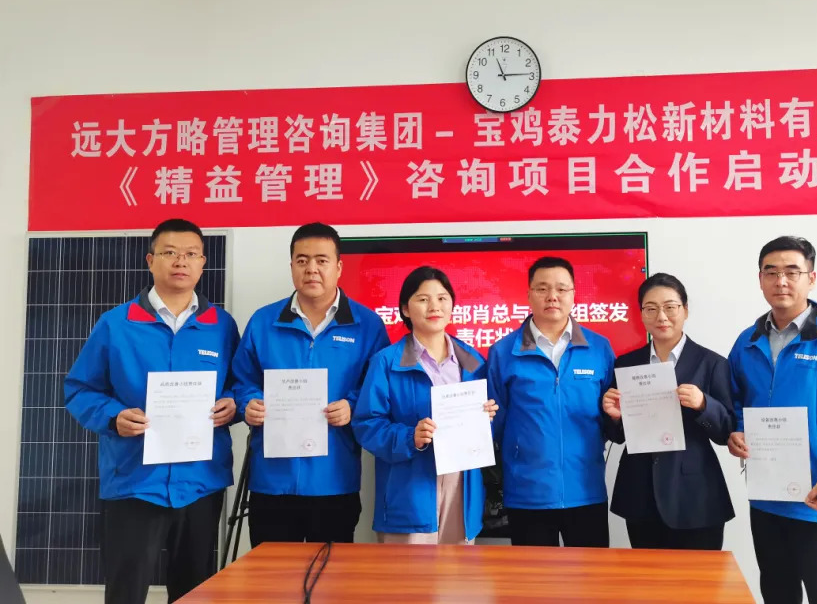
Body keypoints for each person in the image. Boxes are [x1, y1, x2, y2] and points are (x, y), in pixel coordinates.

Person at [65, 219, 239, 604]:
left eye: (191, 254)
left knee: (195, 591)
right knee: (126, 592)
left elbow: (239, 385)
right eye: (169, 253)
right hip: (133, 480)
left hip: (200, 482)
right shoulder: (116, 324)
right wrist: (113, 417)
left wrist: (234, 404)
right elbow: (79, 389)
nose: (181, 261)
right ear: (150, 260)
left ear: (203, 263)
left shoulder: (221, 326)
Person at [725, 235, 817, 604]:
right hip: (766, 498)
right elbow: (735, 404)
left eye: (792, 272)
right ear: (760, 279)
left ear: (812, 278)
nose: (781, 281)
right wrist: (737, 433)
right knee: (777, 593)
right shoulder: (746, 342)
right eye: (771, 272)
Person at [231, 222, 389, 546]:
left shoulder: (367, 325)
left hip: (334, 479)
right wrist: (249, 403)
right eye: (302, 260)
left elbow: (380, 389)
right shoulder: (263, 321)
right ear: (291, 266)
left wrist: (352, 405)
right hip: (272, 480)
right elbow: (241, 380)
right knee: (272, 576)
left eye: (321, 260)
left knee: (330, 575)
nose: (311, 269)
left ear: (339, 267)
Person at [353, 266, 498, 544]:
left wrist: (487, 418)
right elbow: (367, 425)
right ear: (405, 309)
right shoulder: (386, 362)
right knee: (409, 572)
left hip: (461, 490)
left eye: (442, 298)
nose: (434, 306)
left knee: (459, 571)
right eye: (423, 299)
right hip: (409, 493)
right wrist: (411, 437)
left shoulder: (473, 361)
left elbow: (488, 431)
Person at [487, 256, 615, 547]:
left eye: (561, 288)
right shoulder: (503, 352)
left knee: (592, 574)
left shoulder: (599, 348)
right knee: (533, 576)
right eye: (542, 288)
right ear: (528, 294)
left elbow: (611, 418)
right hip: (527, 493)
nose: (552, 296)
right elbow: (496, 424)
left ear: (574, 294)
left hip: (586, 489)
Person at [601, 273, 736, 549]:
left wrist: (704, 404)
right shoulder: (626, 364)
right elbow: (618, 436)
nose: (661, 316)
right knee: (647, 576)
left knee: (699, 576)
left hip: (696, 496)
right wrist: (614, 416)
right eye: (651, 308)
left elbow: (727, 431)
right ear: (641, 314)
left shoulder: (712, 363)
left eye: (670, 307)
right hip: (640, 493)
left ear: (685, 310)